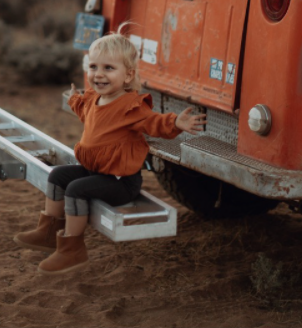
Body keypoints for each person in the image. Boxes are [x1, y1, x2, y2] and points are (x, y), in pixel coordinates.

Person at [14, 23, 207, 275]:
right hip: (97, 171)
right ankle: (49, 231)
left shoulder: (131, 106)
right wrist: (75, 99)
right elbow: (85, 111)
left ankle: (72, 249)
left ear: (127, 75)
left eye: (108, 68)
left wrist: (175, 122)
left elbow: (153, 123)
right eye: (94, 67)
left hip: (121, 182)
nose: (99, 74)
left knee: (75, 190)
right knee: (58, 176)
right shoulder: (96, 99)